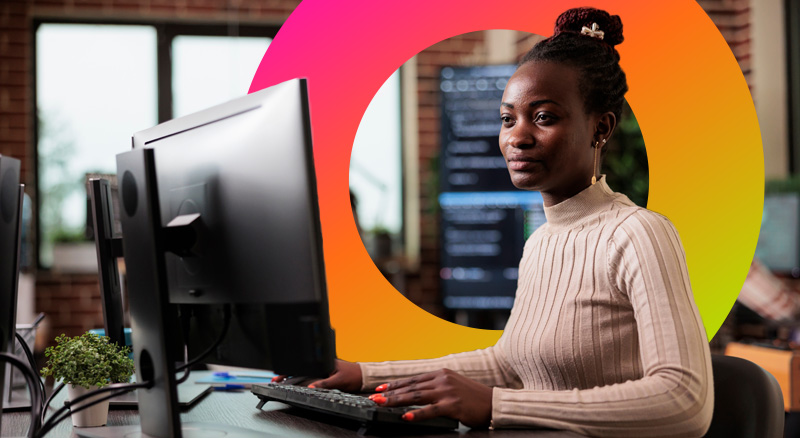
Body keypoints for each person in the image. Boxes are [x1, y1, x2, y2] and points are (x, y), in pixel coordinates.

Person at [276, 7, 714, 437]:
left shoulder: (638, 234)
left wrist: (495, 404)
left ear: (600, 128)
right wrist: (362, 374)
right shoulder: (541, 242)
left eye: (543, 117)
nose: (517, 137)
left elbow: (684, 401)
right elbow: (507, 365)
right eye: (508, 119)